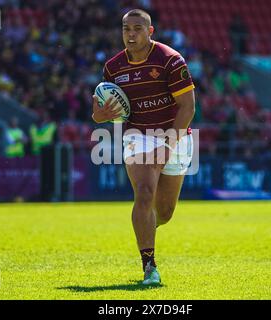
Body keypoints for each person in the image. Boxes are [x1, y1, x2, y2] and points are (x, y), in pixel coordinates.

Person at [91, 9, 195, 285]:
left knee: (165, 212)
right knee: (145, 193)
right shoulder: (113, 67)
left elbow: (188, 107)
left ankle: (148, 224)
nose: (131, 34)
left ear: (150, 32)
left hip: (174, 132)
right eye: (126, 29)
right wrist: (99, 116)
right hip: (138, 135)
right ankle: (149, 267)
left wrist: (168, 145)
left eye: (137, 28)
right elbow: (99, 110)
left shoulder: (171, 60)